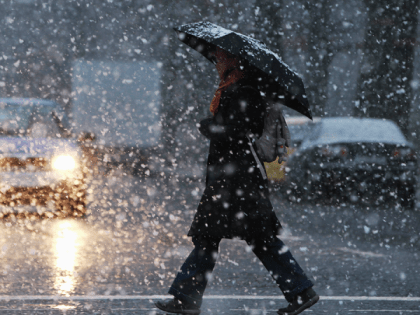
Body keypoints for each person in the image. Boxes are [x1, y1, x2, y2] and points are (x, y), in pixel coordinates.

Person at [155, 47, 319, 315]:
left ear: (234, 61)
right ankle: (300, 291)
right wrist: (216, 126)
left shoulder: (244, 90)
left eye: (222, 57)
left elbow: (241, 131)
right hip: (233, 177)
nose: (217, 61)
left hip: (239, 179)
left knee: (236, 237)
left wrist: (211, 127)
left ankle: (301, 291)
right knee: (223, 237)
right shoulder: (236, 88)